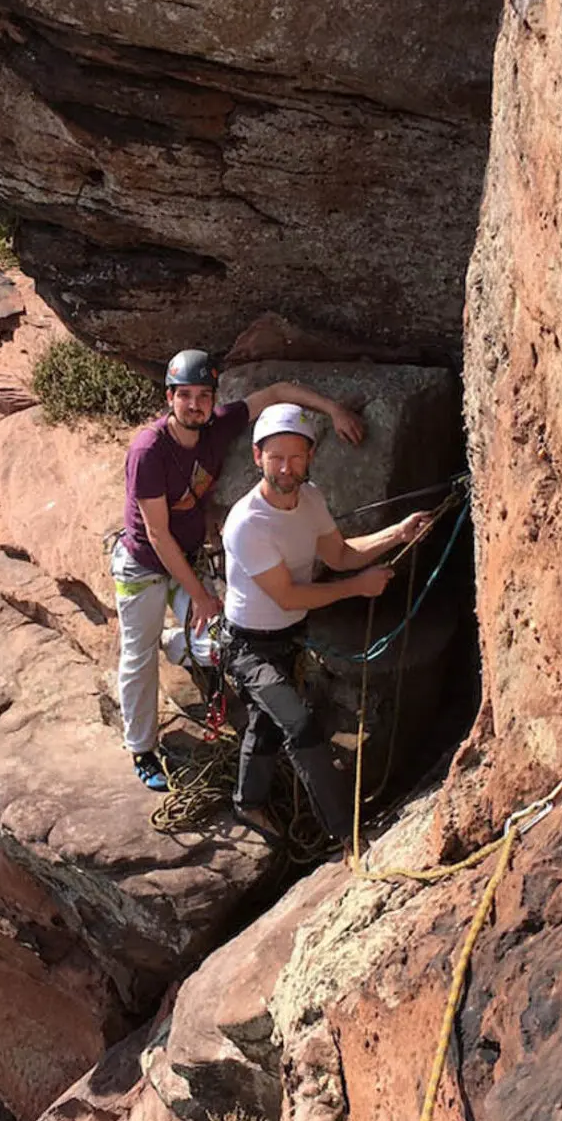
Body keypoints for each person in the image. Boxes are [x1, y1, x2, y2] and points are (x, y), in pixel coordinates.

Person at [114, 351, 365, 791]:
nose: (195, 405)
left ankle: (179, 643)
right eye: (185, 396)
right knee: (138, 656)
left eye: (204, 396)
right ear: (169, 397)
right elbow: (156, 534)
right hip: (144, 566)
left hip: (187, 558)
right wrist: (202, 596)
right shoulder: (149, 450)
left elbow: (278, 393)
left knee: (221, 643)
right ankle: (142, 748)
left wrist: (333, 409)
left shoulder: (218, 427)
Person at [221, 402, 431, 841]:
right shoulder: (247, 524)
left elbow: (339, 555)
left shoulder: (310, 499)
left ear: (310, 457)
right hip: (248, 646)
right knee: (299, 725)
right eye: (276, 457)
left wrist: (397, 533)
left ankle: (248, 804)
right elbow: (287, 594)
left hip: (289, 635)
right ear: (257, 457)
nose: (286, 468)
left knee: (266, 722)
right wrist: (358, 587)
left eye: (296, 457)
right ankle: (347, 833)